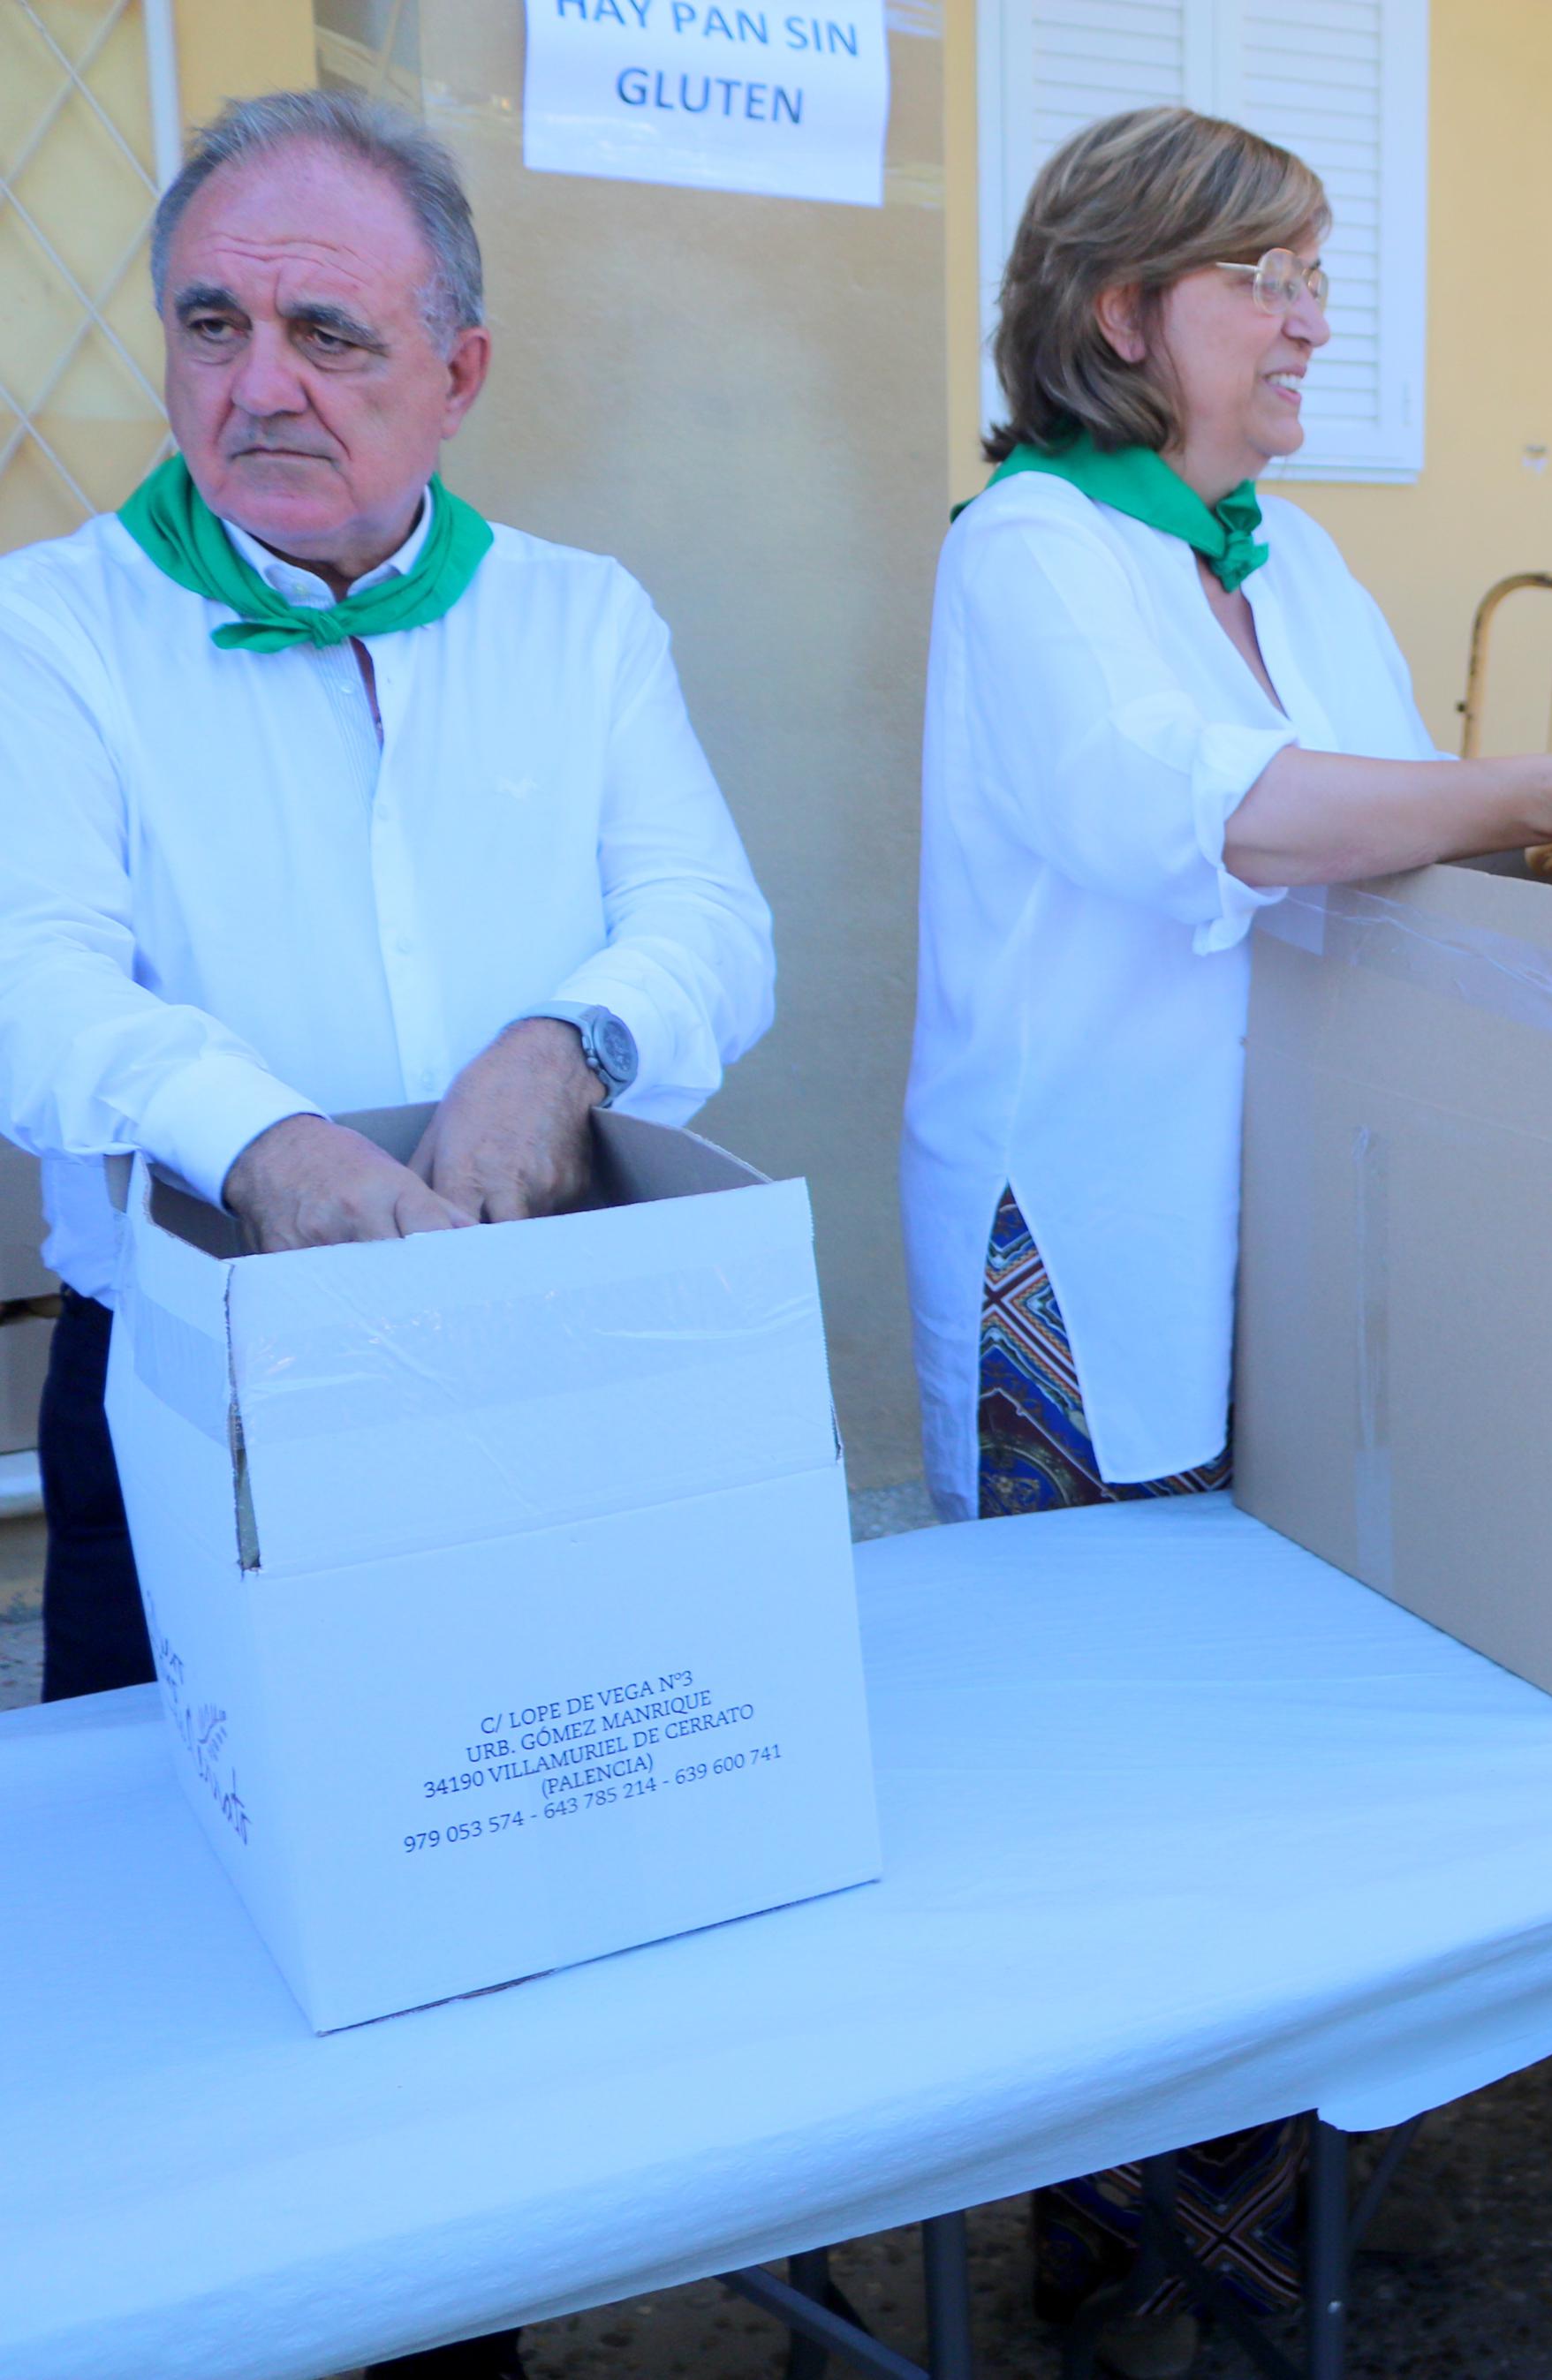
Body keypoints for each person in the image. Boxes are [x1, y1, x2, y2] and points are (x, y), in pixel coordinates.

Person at [900, 105, 1552, 2373]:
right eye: (1265, 278)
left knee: (1253, 1743)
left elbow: (1403, 832)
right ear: (1124, 316)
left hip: (1284, 1231)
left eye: (1313, 272)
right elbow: (1224, 816)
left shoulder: (1282, 561)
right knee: (1102, 1759)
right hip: (1077, 1255)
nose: (1311, 317)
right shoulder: (1030, 552)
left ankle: (1247, 2234)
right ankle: (1112, 2271)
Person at [0, 89, 777, 2380]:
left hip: (524, 1389)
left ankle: (465, 2326)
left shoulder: (580, 618)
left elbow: (713, 922)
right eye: (215, 323)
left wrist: (572, 1036)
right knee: (188, 1979)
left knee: (489, 1928)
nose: (260, 385)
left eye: (330, 332)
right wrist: (257, 1135)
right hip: (193, 1408)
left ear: (461, 366)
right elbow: (33, 978)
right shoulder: (53, 627)